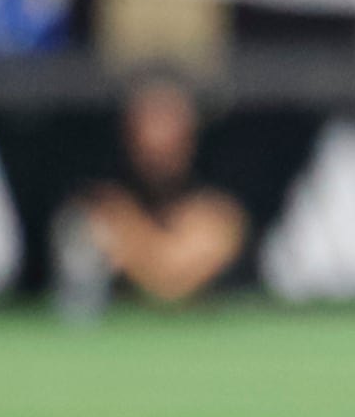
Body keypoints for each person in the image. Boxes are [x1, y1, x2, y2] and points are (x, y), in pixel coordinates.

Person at [56, 76, 247, 315]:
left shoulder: (217, 204)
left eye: (170, 122)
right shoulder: (96, 197)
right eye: (150, 122)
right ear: (128, 131)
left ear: (191, 132)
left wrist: (126, 230)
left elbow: (170, 288)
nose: (159, 140)